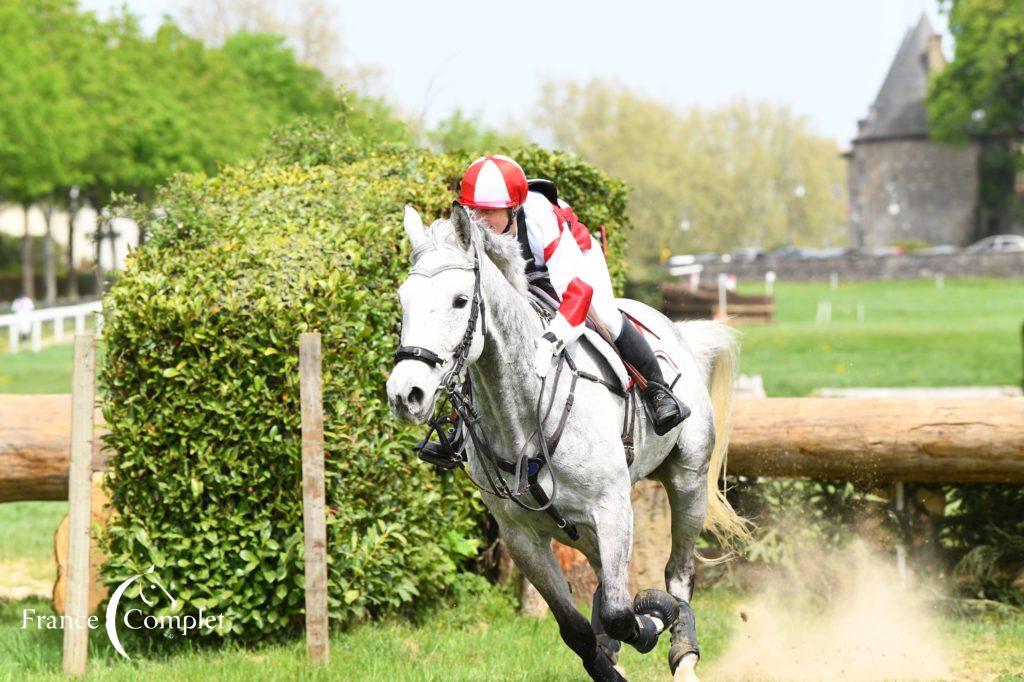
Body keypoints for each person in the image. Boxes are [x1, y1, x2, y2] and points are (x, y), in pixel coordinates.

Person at [457, 155, 689, 435]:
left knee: (606, 316)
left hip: (575, 256)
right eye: (473, 210)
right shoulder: (469, 224)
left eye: (489, 212)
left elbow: (577, 292)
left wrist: (550, 340)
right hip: (523, 272)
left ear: (514, 209)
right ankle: (459, 424)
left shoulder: (541, 217)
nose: (479, 221)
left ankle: (658, 390)